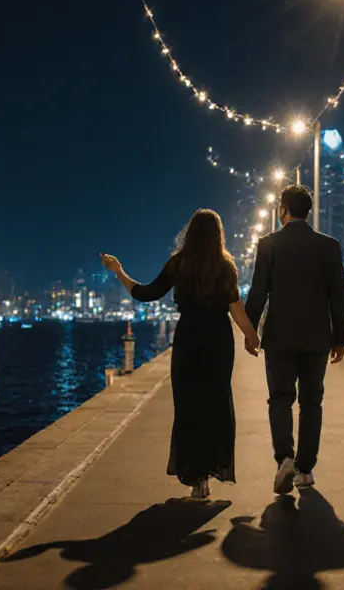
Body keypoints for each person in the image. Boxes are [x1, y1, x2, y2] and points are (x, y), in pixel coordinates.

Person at [101, 208, 261, 500]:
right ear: (218, 236)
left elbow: (145, 293)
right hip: (218, 343)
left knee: (189, 407)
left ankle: (195, 478)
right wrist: (252, 337)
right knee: (215, 405)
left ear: (191, 234)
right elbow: (236, 308)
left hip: (188, 340)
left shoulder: (179, 264)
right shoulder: (226, 267)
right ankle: (210, 474)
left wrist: (119, 271)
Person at [244, 184, 344, 495]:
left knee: (280, 400)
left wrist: (251, 333)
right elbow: (338, 298)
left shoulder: (269, 244)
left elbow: (258, 292)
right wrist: (339, 339)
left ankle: (284, 458)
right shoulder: (329, 247)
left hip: (279, 338)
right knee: (312, 402)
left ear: (283, 210)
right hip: (317, 339)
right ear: (308, 211)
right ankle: (305, 469)